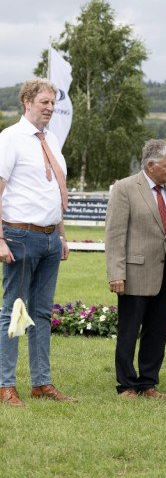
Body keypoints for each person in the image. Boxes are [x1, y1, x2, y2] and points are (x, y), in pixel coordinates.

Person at [0, 78, 75, 406]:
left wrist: (61, 235)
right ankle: (6, 385)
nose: (50, 108)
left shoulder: (52, 139)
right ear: (27, 102)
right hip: (18, 236)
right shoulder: (10, 139)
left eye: (53, 103)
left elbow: (55, 189)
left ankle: (41, 383)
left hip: (48, 239)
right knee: (13, 312)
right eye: (45, 102)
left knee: (42, 313)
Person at [105, 139, 166, 399]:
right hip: (134, 274)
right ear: (151, 166)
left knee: (157, 332)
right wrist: (116, 273)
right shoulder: (125, 188)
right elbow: (115, 234)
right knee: (129, 331)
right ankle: (126, 385)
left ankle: (148, 384)